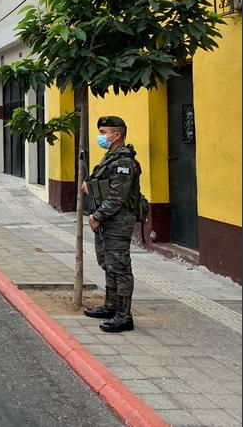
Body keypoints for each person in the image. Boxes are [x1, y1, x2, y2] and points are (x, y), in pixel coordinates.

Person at [82, 115, 142, 333]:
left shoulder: (124, 161)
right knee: (108, 264)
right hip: (109, 220)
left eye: (103, 132)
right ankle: (111, 306)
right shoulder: (110, 157)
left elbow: (118, 196)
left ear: (117, 135)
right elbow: (105, 185)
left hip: (118, 221)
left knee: (120, 267)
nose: (100, 136)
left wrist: (98, 216)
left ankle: (124, 316)